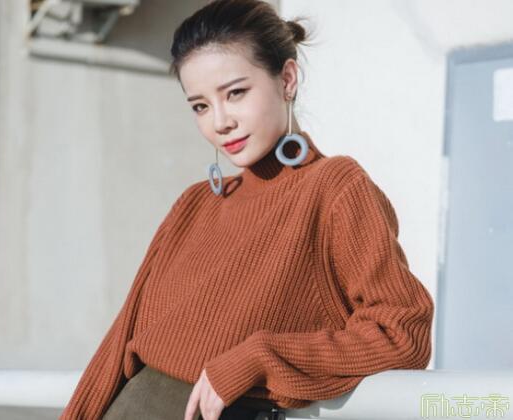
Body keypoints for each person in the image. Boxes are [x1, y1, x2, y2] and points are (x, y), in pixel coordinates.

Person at [60, 0, 435, 419]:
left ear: (287, 79)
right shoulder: (194, 205)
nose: (220, 122)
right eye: (200, 106)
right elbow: (119, 346)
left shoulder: (333, 189)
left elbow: (402, 334)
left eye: (235, 93)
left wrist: (259, 358)